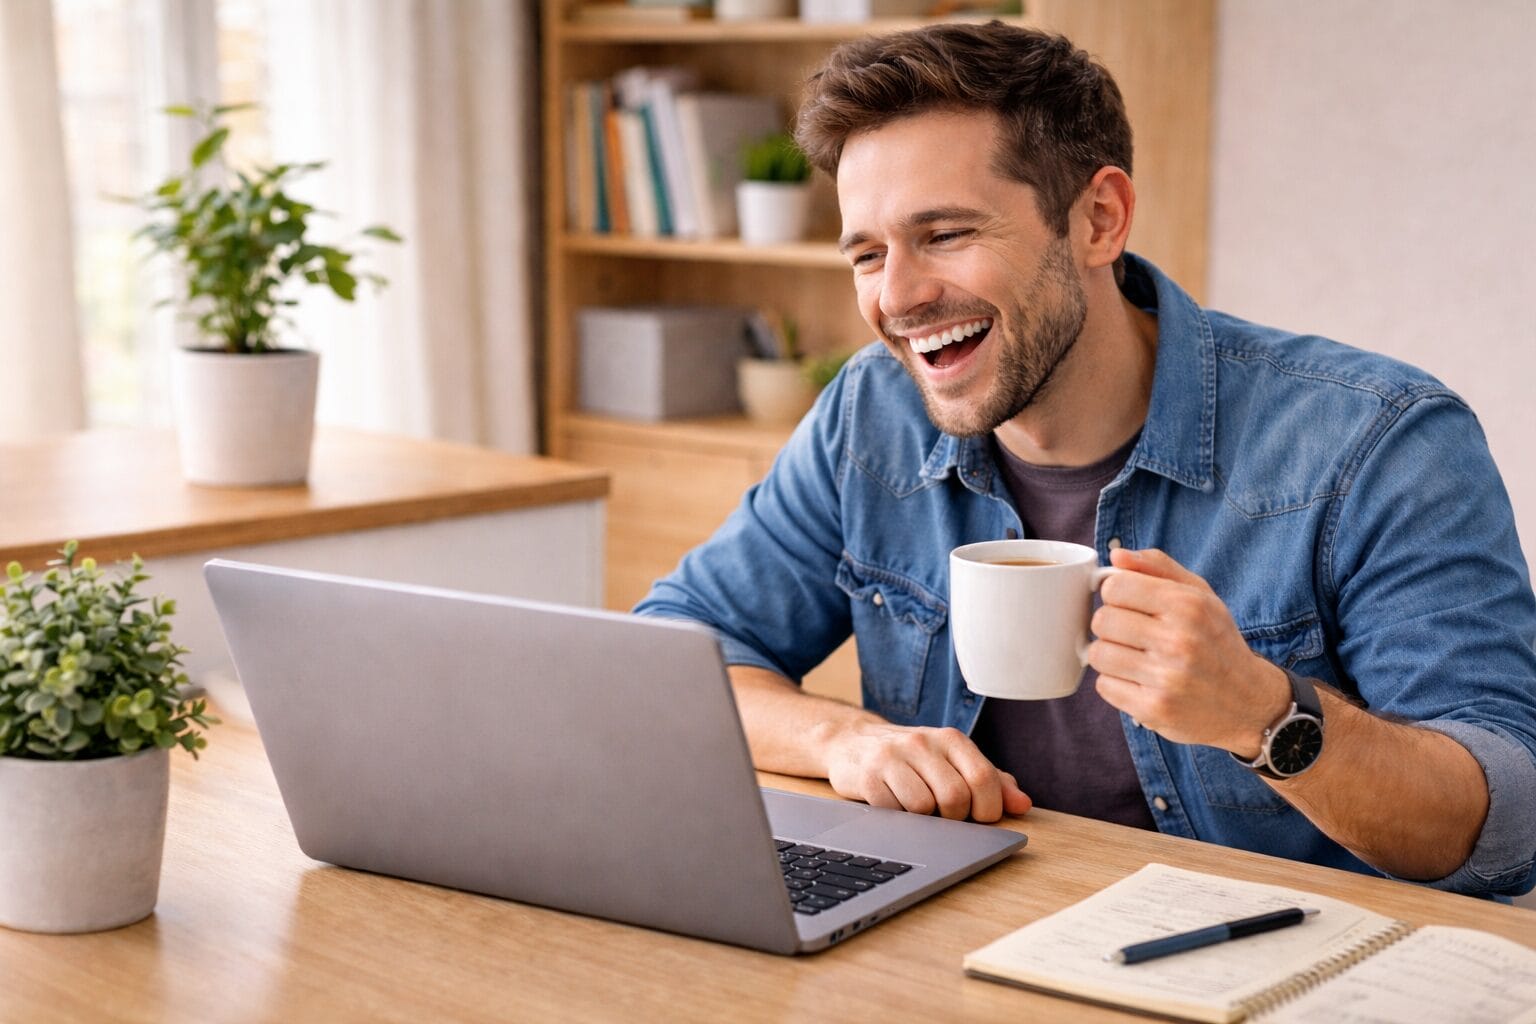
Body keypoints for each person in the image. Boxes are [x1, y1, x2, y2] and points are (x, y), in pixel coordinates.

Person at [634, 21, 1536, 899]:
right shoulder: (870, 414)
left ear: (1099, 219)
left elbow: (1508, 823)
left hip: (1263, 961)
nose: (897, 298)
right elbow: (674, 651)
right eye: (868, 253)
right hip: (963, 935)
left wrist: (1266, 716)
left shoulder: (1376, 442)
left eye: (944, 234)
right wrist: (843, 741)